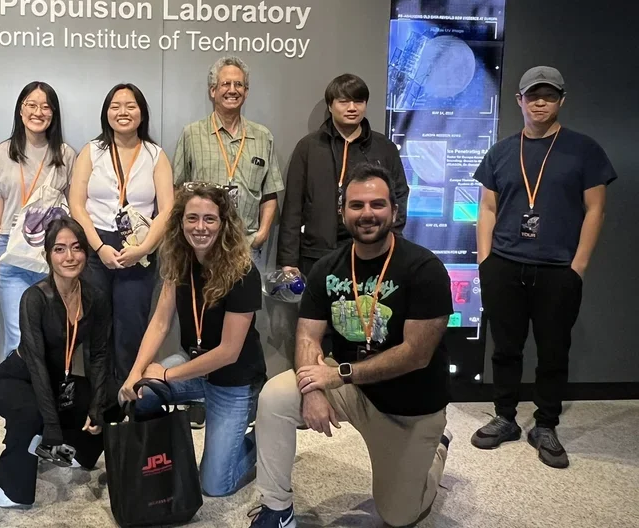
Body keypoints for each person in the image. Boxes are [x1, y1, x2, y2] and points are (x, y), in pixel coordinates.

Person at [250, 163, 453, 528]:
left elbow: (416, 355)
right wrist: (311, 390)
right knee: (276, 396)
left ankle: (437, 448)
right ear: (343, 212)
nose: (367, 214)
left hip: (409, 407)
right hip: (350, 388)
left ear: (394, 210)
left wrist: (338, 374)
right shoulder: (328, 267)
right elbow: (308, 336)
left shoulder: (424, 269)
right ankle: (276, 508)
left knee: (399, 516)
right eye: (357, 205)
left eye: (377, 204)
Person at [470, 66, 616, 469]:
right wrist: (485, 262)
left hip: (557, 269)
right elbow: (486, 207)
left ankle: (545, 424)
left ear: (561, 100)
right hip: (505, 264)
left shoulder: (583, 150)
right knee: (506, 348)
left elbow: (596, 209)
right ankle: (504, 418)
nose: (539, 102)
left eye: (548, 95)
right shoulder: (501, 151)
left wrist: (578, 267)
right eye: (532, 95)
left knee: (554, 350)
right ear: (519, 100)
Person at [120, 182, 265, 497]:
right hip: (196, 367)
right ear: (180, 222)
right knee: (144, 391)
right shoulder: (178, 260)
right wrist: (135, 372)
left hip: (233, 381)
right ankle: (161, 458)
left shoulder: (243, 272)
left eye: (210, 219)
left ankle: (260, 442)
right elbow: (160, 322)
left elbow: (228, 352)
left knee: (214, 486)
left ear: (223, 223)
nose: (200, 227)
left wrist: (168, 374)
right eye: (192, 218)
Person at [0, 217, 116, 508]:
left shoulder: (95, 297)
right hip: (17, 378)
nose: (69, 257)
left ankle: (76, 452)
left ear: (86, 252)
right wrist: (51, 425)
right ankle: (11, 487)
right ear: (48, 255)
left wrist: (96, 406)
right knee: (32, 413)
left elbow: (98, 356)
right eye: (59, 249)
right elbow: (35, 363)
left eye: (76, 248)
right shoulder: (34, 298)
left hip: (60, 380)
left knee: (108, 398)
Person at [69, 83, 173, 379]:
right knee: (95, 327)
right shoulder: (92, 151)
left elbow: (166, 209)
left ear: (142, 113)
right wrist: (99, 248)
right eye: (115, 106)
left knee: (131, 328)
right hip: (95, 247)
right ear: (106, 113)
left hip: (139, 249)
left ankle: (128, 398)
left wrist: (144, 249)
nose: (123, 112)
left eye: (130, 106)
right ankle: (99, 405)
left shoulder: (155, 155)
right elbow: (77, 204)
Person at [277, 73, 409, 278]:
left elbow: (399, 195)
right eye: (344, 101)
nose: (352, 108)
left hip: (371, 252)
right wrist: (288, 260)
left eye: (358, 101)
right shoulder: (309, 147)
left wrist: (393, 238)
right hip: (317, 254)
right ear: (330, 106)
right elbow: (293, 205)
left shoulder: (384, 148)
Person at [0, 82, 76, 359]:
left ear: (54, 113)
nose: (38, 112)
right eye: (31, 105)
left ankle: (48, 397)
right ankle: (18, 397)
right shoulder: (4, 151)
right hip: (9, 249)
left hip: (50, 252)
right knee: (17, 332)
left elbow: (74, 208)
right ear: (21, 110)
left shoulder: (65, 154)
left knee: (52, 330)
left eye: (46, 106)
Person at [172, 56, 283, 259]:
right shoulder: (192, 134)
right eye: (225, 84)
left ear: (246, 92)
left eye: (238, 84)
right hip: (202, 247)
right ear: (213, 91)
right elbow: (177, 189)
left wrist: (262, 234)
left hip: (246, 247)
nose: (232, 90)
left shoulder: (262, 136)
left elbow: (270, 194)